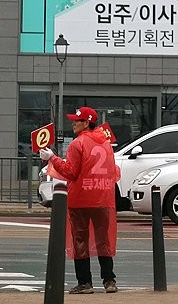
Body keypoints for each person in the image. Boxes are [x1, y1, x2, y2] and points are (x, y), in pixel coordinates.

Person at [40, 106, 120, 295]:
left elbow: (70, 172)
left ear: (86, 123)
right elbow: (113, 171)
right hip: (102, 197)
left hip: (81, 199)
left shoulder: (77, 144)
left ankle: (85, 283)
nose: (73, 123)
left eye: (77, 120)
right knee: (103, 240)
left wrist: (52, 158)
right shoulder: (105, 143)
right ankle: (109, 281)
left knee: (80, 241)